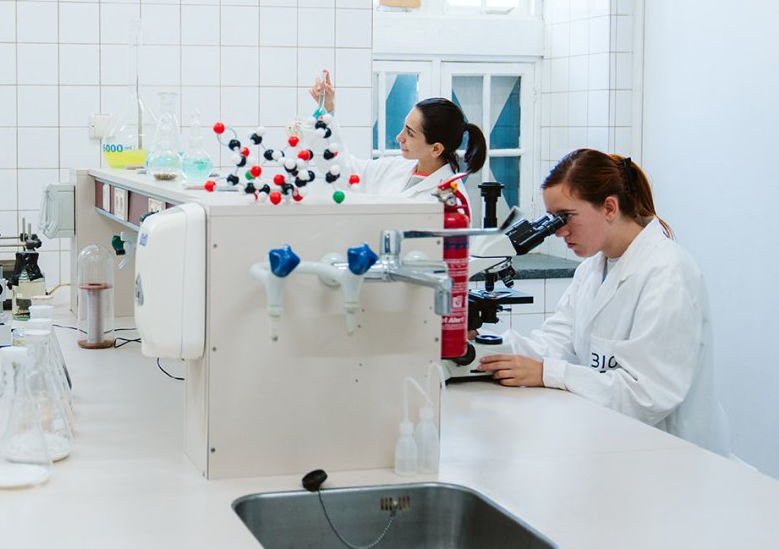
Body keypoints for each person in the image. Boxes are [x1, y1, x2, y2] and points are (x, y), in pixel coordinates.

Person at [477, 149, 731, 455]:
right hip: (611, 443)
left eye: (565, 217)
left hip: (669, 455)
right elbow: (555, 342)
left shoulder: (667, 274)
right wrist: (479, 350)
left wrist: (550, 373)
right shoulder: (592, 269)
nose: (558, 231)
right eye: (552, 219)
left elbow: (647, 395)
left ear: (609, 207)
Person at [309, 70, 487, 199]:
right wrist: (327, 111)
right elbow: (344, 171)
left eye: (410, 133)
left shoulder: (451, 199)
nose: (399, 137)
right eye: (404, 127)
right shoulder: (397, 167)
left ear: (436, 149)